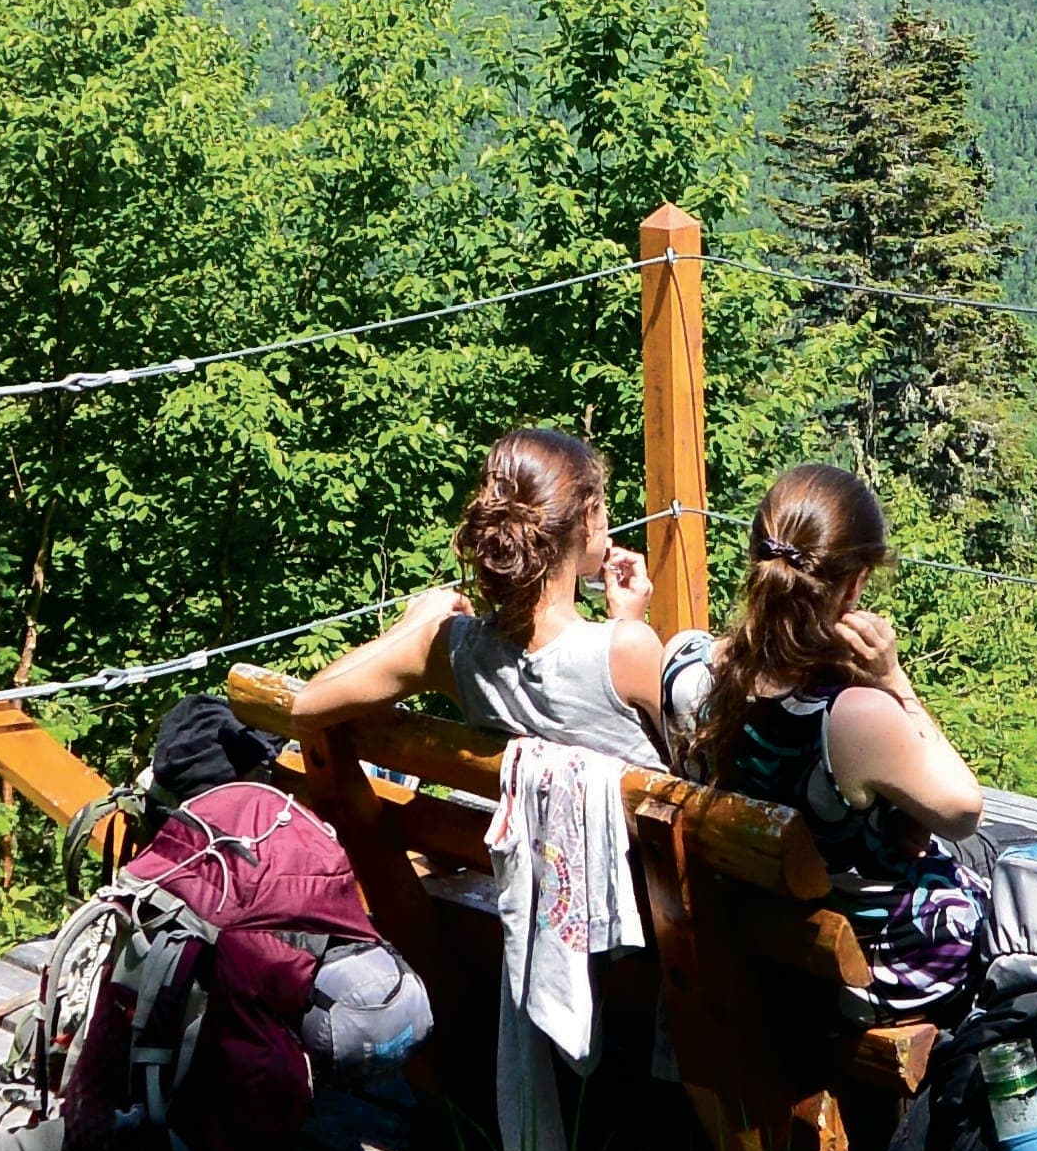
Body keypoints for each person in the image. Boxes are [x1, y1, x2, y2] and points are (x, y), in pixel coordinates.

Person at [688, 463, 989, 1014]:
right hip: (858, 969)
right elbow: (963, 810)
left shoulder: (683, 670)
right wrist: (894, 682)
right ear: (854, 586)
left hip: (753, 947)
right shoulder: (851, 716)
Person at [294, 427, 667, 764]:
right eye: (603, 507)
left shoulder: (453, 649)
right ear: (587, 518)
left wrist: (410, 628)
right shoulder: (627, 648)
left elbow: (305, 704)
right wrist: (626, 623)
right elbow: (690, 774)